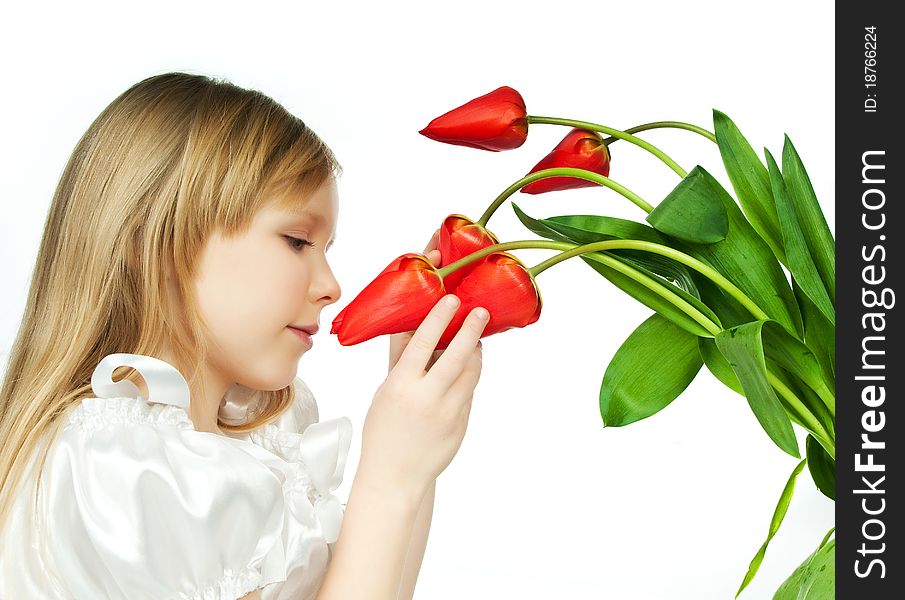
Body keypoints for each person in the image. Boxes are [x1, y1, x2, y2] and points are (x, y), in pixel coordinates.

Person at [0, 72, 489, 600]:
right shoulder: (122, 471)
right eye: (298, 241)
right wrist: (389, 480)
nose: (331, 287)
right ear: (157, 242)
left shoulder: (233, 449)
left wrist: (414, 470)